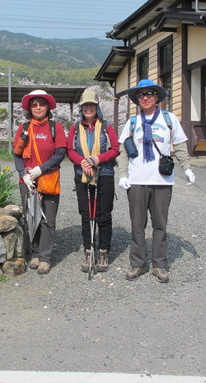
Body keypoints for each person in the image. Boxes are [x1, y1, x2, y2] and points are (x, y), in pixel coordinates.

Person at [117, 79, 195, 283]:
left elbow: (179, 145)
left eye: (149, 94)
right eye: (141, 95)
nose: (145, 98)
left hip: (163, 180)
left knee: (160, 224)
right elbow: (122, 150)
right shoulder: (132, 123)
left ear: (157, 97)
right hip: (137, 180)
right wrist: (123, 174)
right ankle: (137, 263)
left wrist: (187, 168)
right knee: (137, 224)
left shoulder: (169, 119)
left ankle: (159, 265)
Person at [13, 90, 67, 275]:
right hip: (28, 181)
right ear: (30, 108)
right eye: (34, 104)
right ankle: (35, 253)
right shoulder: (23, 128)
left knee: (48, 219)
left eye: (41, 104)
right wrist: (23, 173)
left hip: (48, 178)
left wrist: (40, 169)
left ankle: (45, 257)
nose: (38, 107)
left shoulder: (55, 128)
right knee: (32, 217)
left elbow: (60, 153)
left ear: (47, 107)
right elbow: (17, 154)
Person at [67, 89, 120, 273]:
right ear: (81, 108)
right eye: (85, 105)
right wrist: (83, 161)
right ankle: (89, 249)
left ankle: (103, 250)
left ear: (97, 107)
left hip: (104, 173)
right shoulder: (75, 128)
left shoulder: (106, 127)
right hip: (82, 174)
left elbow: (115, 149)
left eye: (92, 105)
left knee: (104, 214)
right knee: (85, 214)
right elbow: (69, 150)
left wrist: (96, 159)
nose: (88, 108)